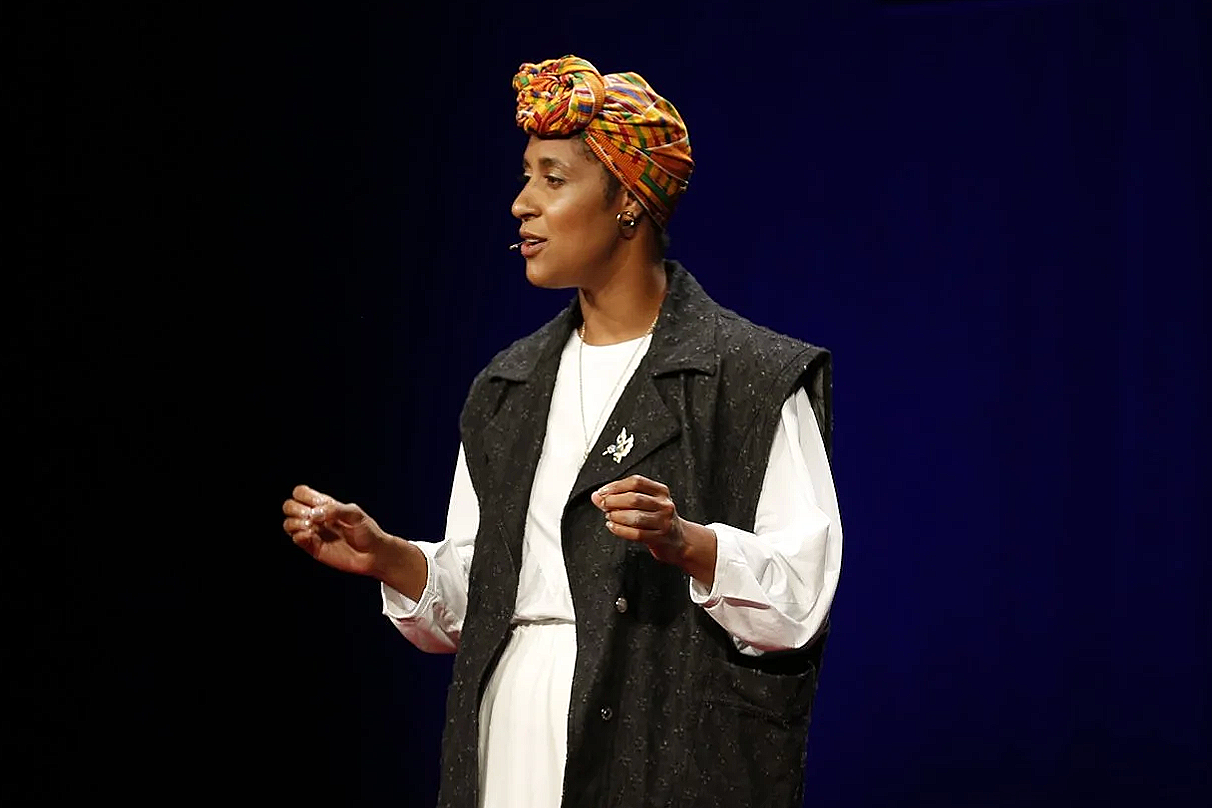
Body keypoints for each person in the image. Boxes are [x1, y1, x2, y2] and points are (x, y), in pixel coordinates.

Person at [281, 54, 842, 808]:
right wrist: (393, 560)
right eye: (525, 176)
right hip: (511, 726)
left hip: (663, 738)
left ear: (628, 203)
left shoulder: (747, 374)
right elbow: (480, 596)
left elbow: (798, 599)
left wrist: (690, 543)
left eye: (553, 178)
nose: (521, 203)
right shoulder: (508, 386)